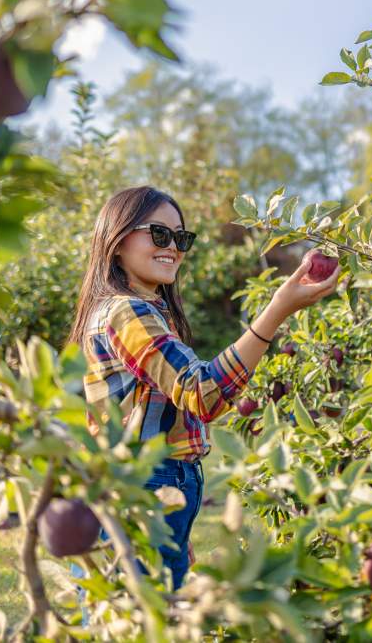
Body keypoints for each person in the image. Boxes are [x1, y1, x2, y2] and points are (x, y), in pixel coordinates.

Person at [66, 184, 341, 593]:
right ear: (118, 240)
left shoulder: (136, 311)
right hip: (142, 488)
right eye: (159, 234)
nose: (173, 247)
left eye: (181, 238)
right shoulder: (127, 312)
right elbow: (202, 394)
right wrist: (277, 309)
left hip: (139, 489)